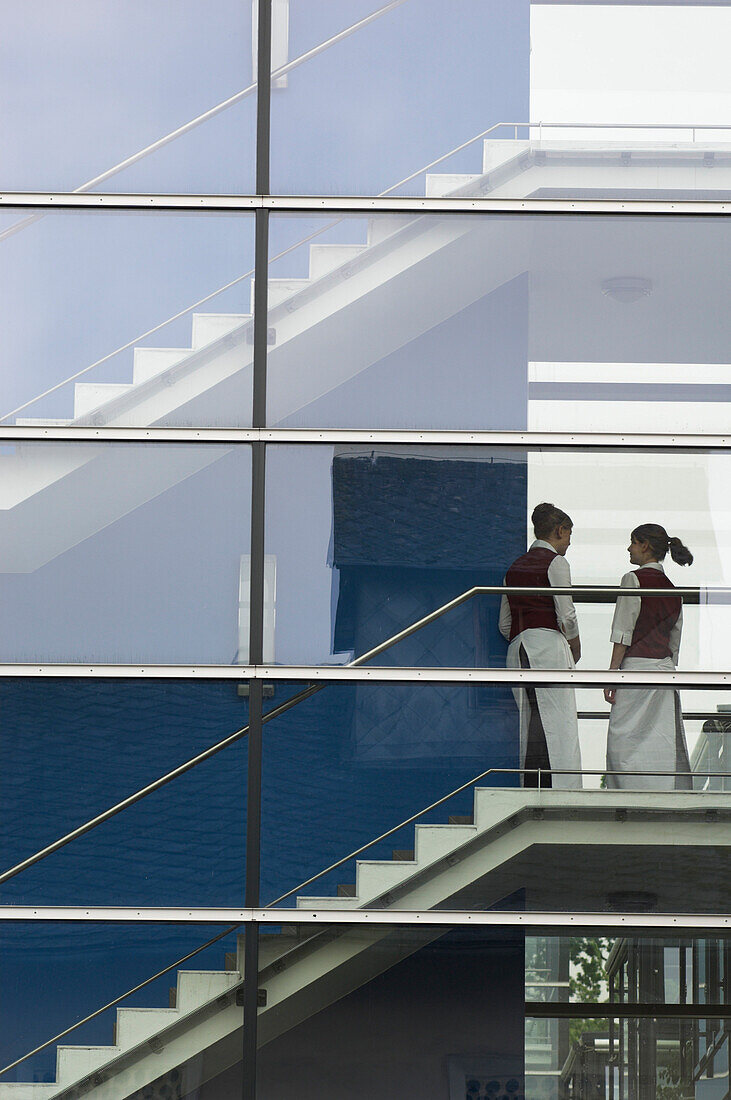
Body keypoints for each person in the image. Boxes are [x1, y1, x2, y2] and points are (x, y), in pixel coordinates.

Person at [499, 502, 583, 790]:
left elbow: (504, 625)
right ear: (559, 530)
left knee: (530, 718)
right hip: (547, 644)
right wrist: (575, 646)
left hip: (519, 647)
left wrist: (523, 634)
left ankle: (531, 781)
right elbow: (566, 614)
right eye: (569, 535)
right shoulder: (556, 563)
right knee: (557, 720)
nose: (569, 542)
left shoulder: (513, 568)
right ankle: (557, 784)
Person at [604, 523, 693, 790]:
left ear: (644, 545)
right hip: (664, 671)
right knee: (660, 741)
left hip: (635, 669)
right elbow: (674, 643)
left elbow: (623, 633)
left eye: (632, 542)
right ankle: (660, 792)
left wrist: (611, 675)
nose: (629, 548)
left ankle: (628, 794)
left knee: (623, 741)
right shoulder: (674, 590)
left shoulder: (633, 579)